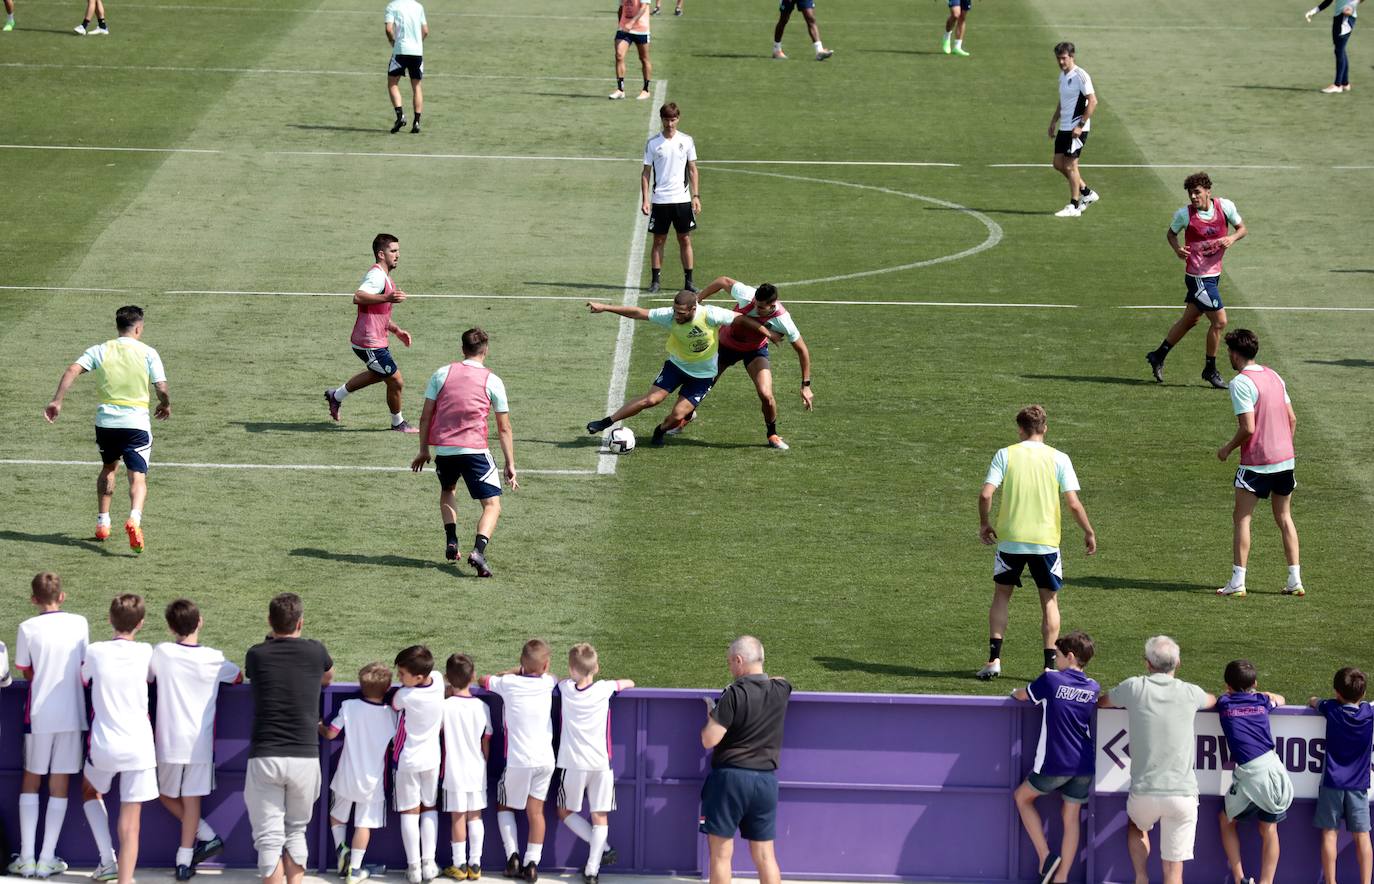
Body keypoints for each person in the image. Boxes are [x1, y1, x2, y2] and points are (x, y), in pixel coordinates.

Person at [976, 405, 1096, 680]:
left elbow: (985, 495)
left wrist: (984, 523)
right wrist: (1088, 531)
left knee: (1001, 597)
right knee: (1049, 602)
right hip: (1045, 542)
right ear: (1045, 428)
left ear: (1020, 429)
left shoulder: (1005, 455)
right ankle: (1049, 666)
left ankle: (994, 659)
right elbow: (1074, 504)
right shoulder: (1059, 458)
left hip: (1010, 542)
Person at [44, 304, 170, 553]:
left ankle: (103, 522)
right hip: (136, 424)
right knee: (137, 477)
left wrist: (57, 400)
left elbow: (72, 369)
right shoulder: (148, 352)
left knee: (108, 468)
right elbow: (161, 387)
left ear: (117, 326)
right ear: (138, 327)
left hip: (106, 424)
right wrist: (165, 403)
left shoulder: (100, 350)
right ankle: (134, 518)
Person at [584, 291, 780, 448]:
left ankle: (660, 430)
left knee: (677, 416)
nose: (676, 315)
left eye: (681, 312)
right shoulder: (669, 316)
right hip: (676, 366)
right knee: (651, 399)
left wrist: (767, 333)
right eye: (675, 310)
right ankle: (606, 421)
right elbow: (637, 312)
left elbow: (741, 319)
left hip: (703, 377)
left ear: (694, 308)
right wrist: (605, 308)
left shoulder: (710, 314)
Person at [1099, 636, 1216, 884]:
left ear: (1147, 664)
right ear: (1178, 663)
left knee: (1136, 826)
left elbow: (1104, 702)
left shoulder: (1133, 687)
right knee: (1174, 873)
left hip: (1144, 793)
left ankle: (1141, 877)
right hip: (1183, 795)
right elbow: (1212, 700)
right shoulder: (1190, 692)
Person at [411, 327, 518, 578]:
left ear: (462, 350)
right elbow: (504, 428)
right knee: (492, 505)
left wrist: (423, 449)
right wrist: (510, 463)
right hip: (475, 451)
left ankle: (451, 540)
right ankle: (479, 551)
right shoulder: (493, 380)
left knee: (448, 490)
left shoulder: (441, 373)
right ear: (486, 350)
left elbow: (426, 416)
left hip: (445, 451)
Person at [244, 593, 335, 884]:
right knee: (296, 831)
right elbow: (327, 677)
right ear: (301, 622)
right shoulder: (315, 651)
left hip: (265, 756)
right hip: (305, 757)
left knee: (269, 840)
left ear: (270, 622)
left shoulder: (256, 654)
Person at [150, 599, 242, 881]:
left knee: (166, 795)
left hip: (167, 741)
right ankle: (198, 845)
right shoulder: (214, 657)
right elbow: (238, 677)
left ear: (169, 626)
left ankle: (189, 855)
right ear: (199, 621)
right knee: (189, 802)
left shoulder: (161, 652)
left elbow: (150, 678)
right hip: (199, 745)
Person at [10, 572, 89, 880]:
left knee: (31, 779)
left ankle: (27, 859)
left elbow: (25, 670)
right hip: (72, 714)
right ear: (63, 596)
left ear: (33, 599)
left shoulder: (27, 628)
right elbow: (84, 667)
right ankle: (46, 859)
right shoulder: (79, 623)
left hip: (40, 714)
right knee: (59, 784)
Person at [1215, 329, 1302, 598]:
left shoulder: (1240, 383)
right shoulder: (1274, 375)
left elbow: (1248, 428)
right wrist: (1283, 448)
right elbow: (1292, 419)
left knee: (1242, 518)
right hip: (1285, 461)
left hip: (1256, 464)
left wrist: (1227, 448)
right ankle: (1295, 580)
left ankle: (1238, 582)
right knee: (1284, 518)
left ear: (1234, 353)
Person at [699, 636, 791, 884]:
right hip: (765, 783)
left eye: (730, 662)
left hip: (730, 780)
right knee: (765, 855)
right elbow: (779, 680)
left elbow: (709, 739)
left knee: (720, 855)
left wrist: (712, 715)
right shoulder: (781, 691)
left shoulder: (734, 694)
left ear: (739, 660)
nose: (730, 668)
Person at [1010, 631, 1099, 884]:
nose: (1055, 659)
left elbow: (1023, 695)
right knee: (1071, 819)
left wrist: (1014, 691)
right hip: (1084, 764)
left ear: (1070, 656)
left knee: (1022, 798)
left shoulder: (1051, 680)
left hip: (1055, 762)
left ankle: (1046, 857)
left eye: (1057, 655)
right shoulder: (1093, 687)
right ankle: (1061, 878)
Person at [80, 595, 157, 884]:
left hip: (104, 746)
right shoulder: (146, 651)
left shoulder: (96, 651)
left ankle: (106, 860)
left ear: (110, 619)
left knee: (89, 789)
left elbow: (83, 678)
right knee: (131, 823)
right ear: (141, 624)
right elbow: (152, 678)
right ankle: (124, 880)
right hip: (139, 747)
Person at [1145, 172, 1247, 389]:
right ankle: (1210, 369)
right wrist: (1177, 250)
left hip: (1214, 276)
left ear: (1208, 191)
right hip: (1198, 279)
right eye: (1190, 193)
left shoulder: (1225, 207)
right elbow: (1171, 234)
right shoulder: (1185, 215)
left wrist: (1232, 238)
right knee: (1219, 322)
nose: (1193, 196)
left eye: (1197, 192)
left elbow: (1242, 229)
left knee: (1190, 320)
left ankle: (1158, 355)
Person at [693, 276, 813, 450]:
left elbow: (802, 350)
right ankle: (685, 416)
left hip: (754, 351)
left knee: (766, 394)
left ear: (772, 306)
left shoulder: (783, 320)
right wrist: (699, 298)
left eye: (761, 307)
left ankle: (772, 434)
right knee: (703, 385)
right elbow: (723, 281)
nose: (756, 308)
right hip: (725, 345)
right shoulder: (746, 295)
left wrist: (806, 385)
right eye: (755, 303)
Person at [556, 644, 636, 884]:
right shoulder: (604, 688)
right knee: (599, 814)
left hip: (571, 763)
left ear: (571, 669)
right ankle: (593, 870)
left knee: (564, 811)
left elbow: (555, 680)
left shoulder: (565, 688)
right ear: (597, 667)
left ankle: (603, 848)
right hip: (601, 763)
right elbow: (629, 682)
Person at [479, 640, 558, 883]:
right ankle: (531, 863)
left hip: (518, 761)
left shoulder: (508, 683)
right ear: (545, 665)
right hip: (545, 760)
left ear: (521, 663)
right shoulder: (547, 682)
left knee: (504, 805)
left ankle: (512, 856)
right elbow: (553, 676)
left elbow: (483, 680)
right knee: (536, 813)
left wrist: (513, 671)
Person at [325, 233, 418, 433]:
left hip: (375, 339)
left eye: (398, 250)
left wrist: (396, 330)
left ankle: (336, 396)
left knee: (379, 374)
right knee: (395, 380)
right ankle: (398, 423)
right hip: (369, 343)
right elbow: (358, 297)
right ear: (381, 254)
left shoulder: (384, 277)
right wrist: (387, 297)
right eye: (393, 251)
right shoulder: (376, 276)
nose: (397, 255)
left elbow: (379, 314)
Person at [1215, 659, 1292, 884]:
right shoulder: (1262, 700)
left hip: (1250, 775)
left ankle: (1240, 878)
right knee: (1269, 829)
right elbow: (1281, 699)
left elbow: (1223, 697)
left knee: (1226, 821)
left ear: (1228, 685)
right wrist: (1261, 691)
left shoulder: (1225, 703)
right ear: (1255, 683)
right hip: (1274, 770)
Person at [321, 662, 396, 884]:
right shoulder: (391, 715)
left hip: (345, 775)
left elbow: (331, 734)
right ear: (388, 687)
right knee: (363, 824)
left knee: (337, 815)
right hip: (372, 782)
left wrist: (317, 725)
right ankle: (354, 868)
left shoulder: (349, 706)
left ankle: (340, 849)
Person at [1308, 667, 1374, 884]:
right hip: (1358, 786)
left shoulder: (1331, 709)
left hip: (1332, 783)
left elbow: (1314, 701)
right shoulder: (1368, 712)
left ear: (1337, 692)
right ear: (1362, 694)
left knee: (1329, 834)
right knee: (1362, 836)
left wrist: (1317, 699)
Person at [392, 645, 446, 884]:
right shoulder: (437, 680)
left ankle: (413, 867)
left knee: (410, 811)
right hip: (432, 759)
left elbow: (394, 705)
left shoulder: (405, 695)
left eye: (402, 674)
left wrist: (404, 687)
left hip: (408, 760)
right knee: (429, 807)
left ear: (419, 677)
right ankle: (429, 863)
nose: (399, 678)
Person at [439, 653, 491, 882]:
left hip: (453, 771)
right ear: (473, 676)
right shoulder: (482, 707)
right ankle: (475, 864)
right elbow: (485, 741)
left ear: (448, 678)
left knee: (458, 818)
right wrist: (483, 762)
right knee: (475, 817)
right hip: (477, 768)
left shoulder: (444, 706)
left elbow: (438, 734)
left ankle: (459, 864)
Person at [641, 103, 700, 293]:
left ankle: (689, 282)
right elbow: (646, 173)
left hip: (682, 200)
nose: (670, 124)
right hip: (660, 201)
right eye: (666, 119)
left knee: (685, 239)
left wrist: (695, 196)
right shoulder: (653, 143)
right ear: (662, 119)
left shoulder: (687, 141)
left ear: (678, 119)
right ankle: (655, 281)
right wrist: (645, 199)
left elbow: (692, 169)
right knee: (658, 240)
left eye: (673, 119)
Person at [1047, 43, 1099, 218]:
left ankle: (1074, 205)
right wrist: (1054, 120)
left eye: (1064, 58)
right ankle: (1087, 193)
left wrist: (1080, 125)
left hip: (1076, 128)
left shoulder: (1080, 76)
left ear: (1072, 57)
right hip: (1064, 127)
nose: (1061, 61)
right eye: (1058, 58)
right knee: (1057, 163)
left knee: (1070, 165)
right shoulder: (1062, 76)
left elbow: (1092, 101)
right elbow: (1063, 101)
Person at [385, 0, 428, 132]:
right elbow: (425, 31)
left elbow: (388, 29)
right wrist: (416, 44)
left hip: (400, 51)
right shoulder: (418, 6)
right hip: (417, 52)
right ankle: (416, 122)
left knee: (392, 82)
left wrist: (393, 41)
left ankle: (400, 116)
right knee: (416, 85)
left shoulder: (392, 6)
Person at [1306, 0, 1361, 92]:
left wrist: (1352, 6)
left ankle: (1337, 85)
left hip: (1346, 18)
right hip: (1338, 18)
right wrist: (1313, 11)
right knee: (1340, 50)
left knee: (1339, 50)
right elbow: (1328, 1)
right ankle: (1345, 83)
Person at [610, 0, 651, 100]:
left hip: (641, 29)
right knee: (619, 55)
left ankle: (646, 90)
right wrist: (620, 24)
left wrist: (632, 22)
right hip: (624, 29)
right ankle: (620, 89)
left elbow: (644, 7)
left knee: (644, 59)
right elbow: (621, 7)